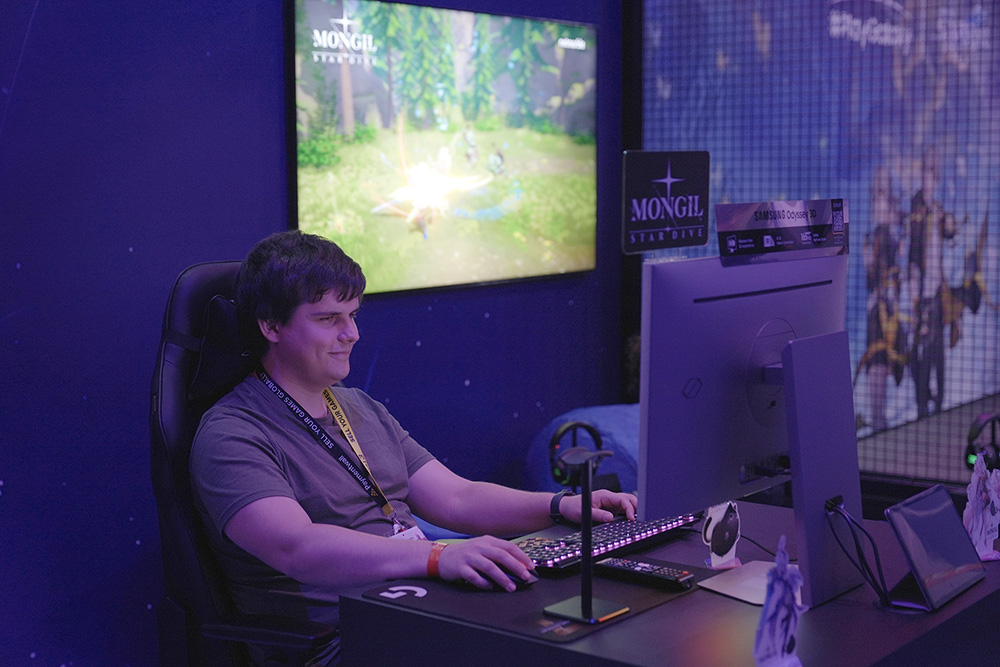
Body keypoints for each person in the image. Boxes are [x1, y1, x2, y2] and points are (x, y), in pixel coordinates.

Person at [190, 230, 637, 666]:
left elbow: (457, 498)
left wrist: (560, 506)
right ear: (270, 326)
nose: (352, 334)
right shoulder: (232, 433)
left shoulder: (358, 405)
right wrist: (437, 556)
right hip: (341, 638)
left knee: (596, 629)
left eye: (353, 314)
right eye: (328, 319)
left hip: (419, 606)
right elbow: (297, 548)